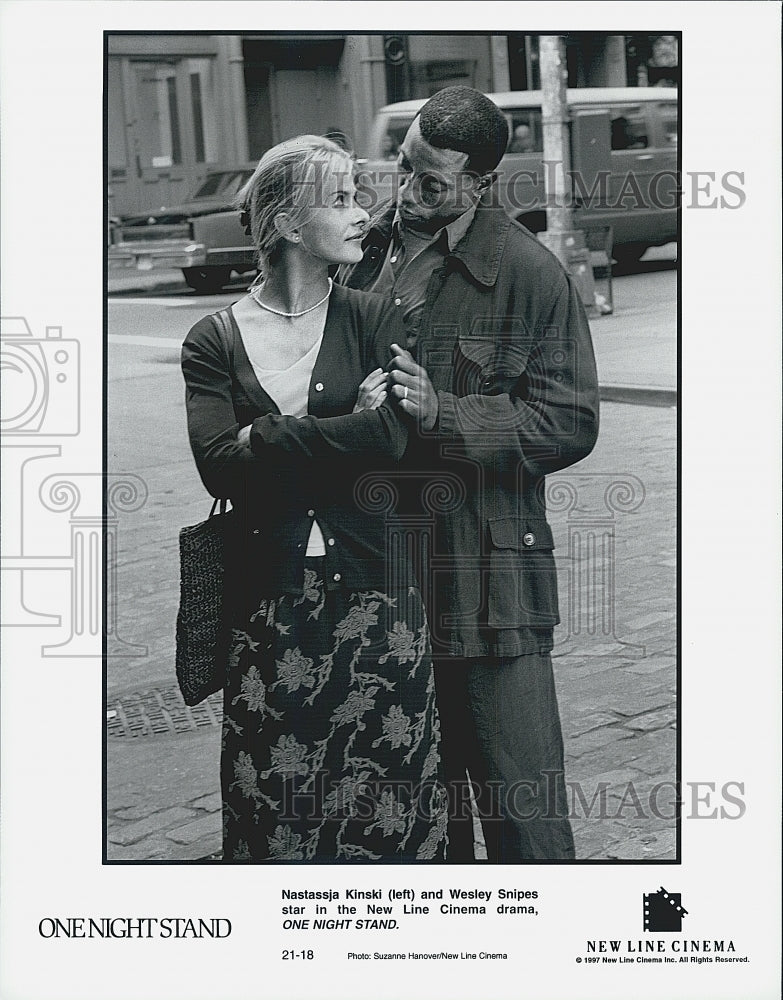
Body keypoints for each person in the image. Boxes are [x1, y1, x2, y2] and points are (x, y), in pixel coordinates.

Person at [340, 87, 600, 862]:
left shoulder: (529, 274)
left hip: (488, 578)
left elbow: (569, 422)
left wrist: (442, 414)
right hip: (378, 569)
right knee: (416, 822)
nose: (406, 191)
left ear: (479, 184)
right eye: (402, 168)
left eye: (429, 181)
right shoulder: (367, 248)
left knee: (522, 815)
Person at [181, 135, 447, 863]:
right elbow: (218, 468)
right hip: (269, 614)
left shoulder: (374, 317)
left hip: (380, 607)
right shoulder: (214, 339)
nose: (363, 213)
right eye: (340, 200)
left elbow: (392, 439)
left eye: (358, 197)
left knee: (390, 817)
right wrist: (337, 428)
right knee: (279, 817)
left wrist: (265, 438)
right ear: (291, 225)